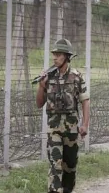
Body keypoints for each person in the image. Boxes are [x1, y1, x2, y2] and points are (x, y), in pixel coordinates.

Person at [36, 38, 90, 193]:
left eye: (58, 54)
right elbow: (39, 104)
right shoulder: (48, 77)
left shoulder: (77, 76)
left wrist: (85, 124)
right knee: (55, 164)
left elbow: (85, 101)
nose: (54, 57)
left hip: (72, 129)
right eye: (54, 54)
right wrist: (41, 86)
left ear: (66, 56)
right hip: (54, 129)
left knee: (70, 166)